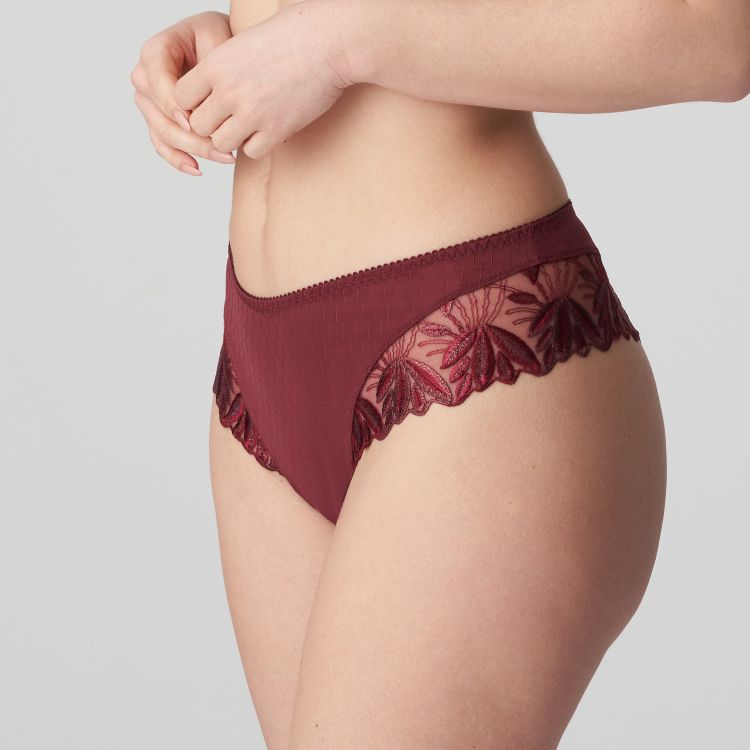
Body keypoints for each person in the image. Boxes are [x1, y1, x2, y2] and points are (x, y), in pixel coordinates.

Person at [130, 2, 748, 747]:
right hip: (262, 358)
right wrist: (240, 43)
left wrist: (335, 44)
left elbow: (719, 35)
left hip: (469, 349)